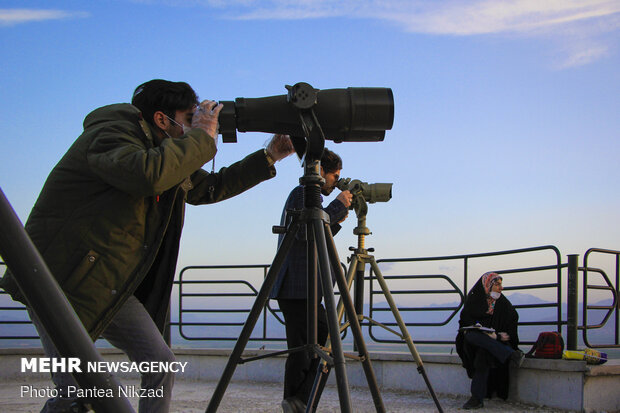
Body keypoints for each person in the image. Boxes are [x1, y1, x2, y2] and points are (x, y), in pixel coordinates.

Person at [0, 79, 294, 413]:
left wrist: (270, 155)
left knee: (159, 363)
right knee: (78, 393)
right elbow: (147, 174)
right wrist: (201, 137)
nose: (193, 126)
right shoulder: (111, 135)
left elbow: (208, 188)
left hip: (107, 281)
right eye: (188, 118)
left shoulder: (161, 152)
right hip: (57, 279)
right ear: (160, 119)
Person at [269, 148, 352, 413]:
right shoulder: (302, 193)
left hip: (302, 286)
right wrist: (337, 208)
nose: (335, 182)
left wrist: (334, 217)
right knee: (311, 348)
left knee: (310, 347)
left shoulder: (305, 195)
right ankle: (300, 401)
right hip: (298, 286)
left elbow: (314, 236)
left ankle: (299, 401)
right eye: (334, 176)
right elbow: (306, 232)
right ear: (321, 173)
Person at [455, 272, 525, 409]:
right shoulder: (474, 300)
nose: (501, 288)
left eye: (501, 284)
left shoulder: (503, 304)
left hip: (493, 344)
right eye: (497, 285)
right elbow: (464, 324)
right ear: (487, 285)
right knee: (472, 335)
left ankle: (476, 399)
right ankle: (510, 354)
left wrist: (497, 336)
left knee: (483, 355)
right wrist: (488, 334)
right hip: (473, 341)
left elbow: (511, 326)